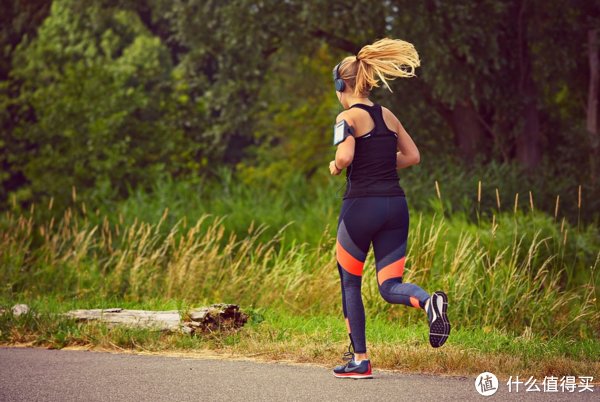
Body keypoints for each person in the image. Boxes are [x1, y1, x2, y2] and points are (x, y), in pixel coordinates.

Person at [329, 38, 451, 380]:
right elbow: (413, 157)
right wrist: (380, 162)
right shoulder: (388, 115)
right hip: (395, 207)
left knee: (350, 282)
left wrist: (337, 166)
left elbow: (346, 156)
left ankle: (361, 360)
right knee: (389, 285)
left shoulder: (346, 117)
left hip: (360, 209)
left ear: (342, 84)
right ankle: (428, 303)